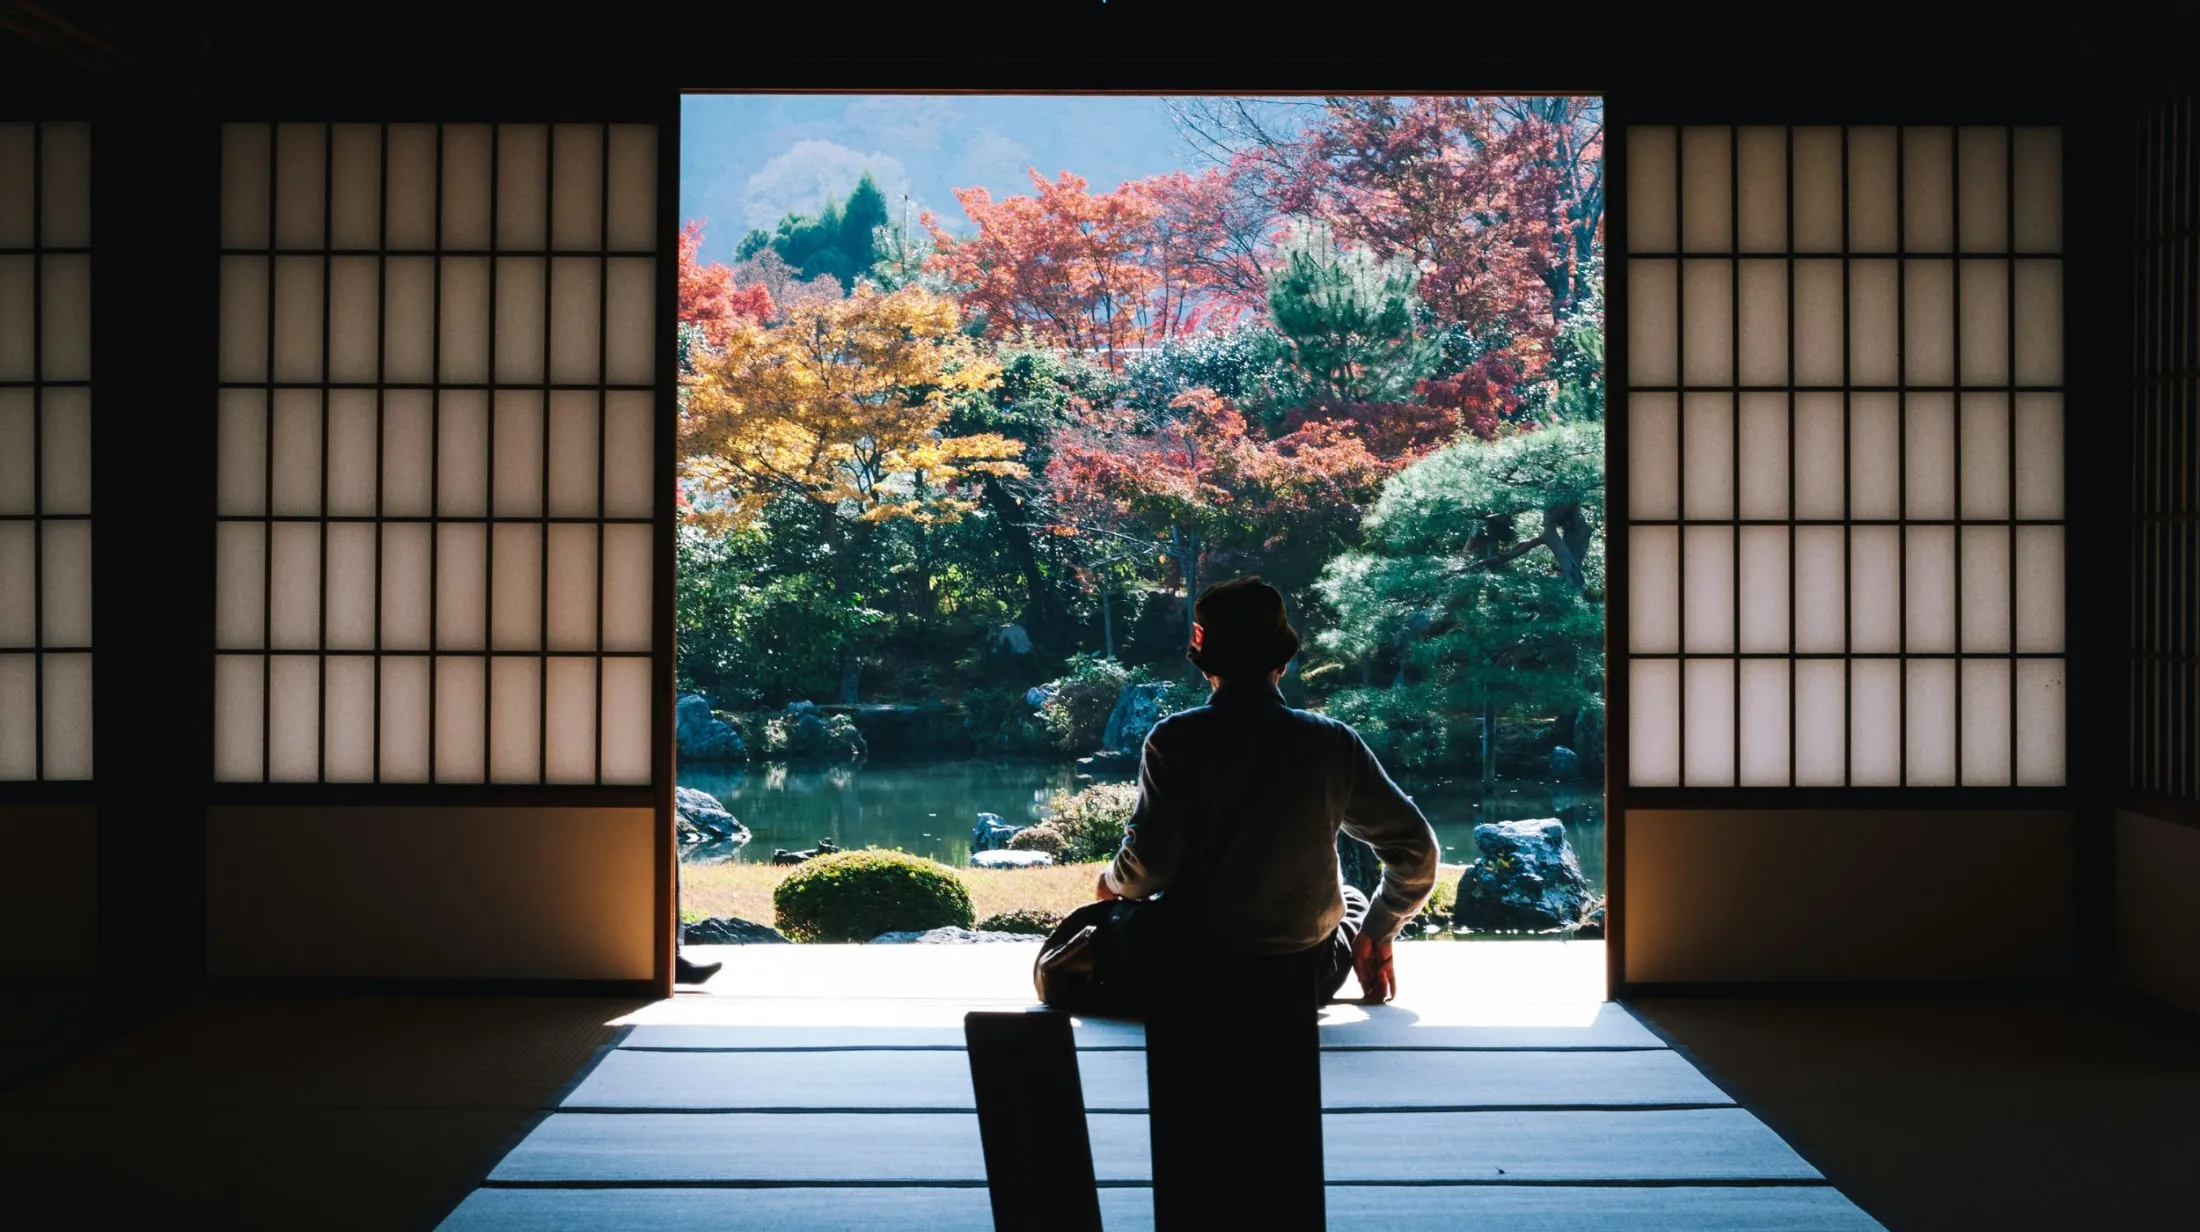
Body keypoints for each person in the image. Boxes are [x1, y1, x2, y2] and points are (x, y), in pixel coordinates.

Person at [1095, 575, 1438, 1005]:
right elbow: (1417, 850)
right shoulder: (1331, 742)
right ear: (1284, 660)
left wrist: (1110, 881)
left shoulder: (1175, 739)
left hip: (1191, 971)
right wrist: (1379, 928)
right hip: (1301, 977)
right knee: (1348, 899)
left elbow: (1148, 868)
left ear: (1204, 660)